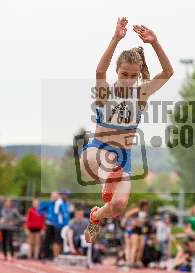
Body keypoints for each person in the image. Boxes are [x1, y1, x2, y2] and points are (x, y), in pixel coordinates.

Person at [79, 17, 173, 243]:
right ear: (117, 71)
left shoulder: (141, 95)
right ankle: (109, 180)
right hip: (96, 151)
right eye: (124, 75)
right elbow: (99, 71)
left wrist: (155, 42)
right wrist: (116, 38)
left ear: (139, 75)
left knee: (118, 206)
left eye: (133, 76)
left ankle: (96, 215)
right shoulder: (106, 92)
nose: (128, 80)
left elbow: (168, 72)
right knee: (108, 160)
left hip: (124, 158)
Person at [39, 192, 58, 260]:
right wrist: (46, 214)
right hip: (49, 224)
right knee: (46, 240)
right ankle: (44, 256)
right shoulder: (48, 203)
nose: (54, 198)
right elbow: (39, 210)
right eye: (53, 197)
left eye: (56, 197)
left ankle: (53, 256)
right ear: (51, 197)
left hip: (56, 225)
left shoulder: (59, 204)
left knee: (55, 241)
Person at [53, 190, 71, 257]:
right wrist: (57, 223)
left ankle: (59, 256)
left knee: (62, 241)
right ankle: (55, 256)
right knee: (57, 241)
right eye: (65, 195)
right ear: (62, 195)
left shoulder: (66, 203)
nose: (67, 196)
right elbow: (55, 213)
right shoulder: (58, 203)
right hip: (59, 225)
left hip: (65, 225)